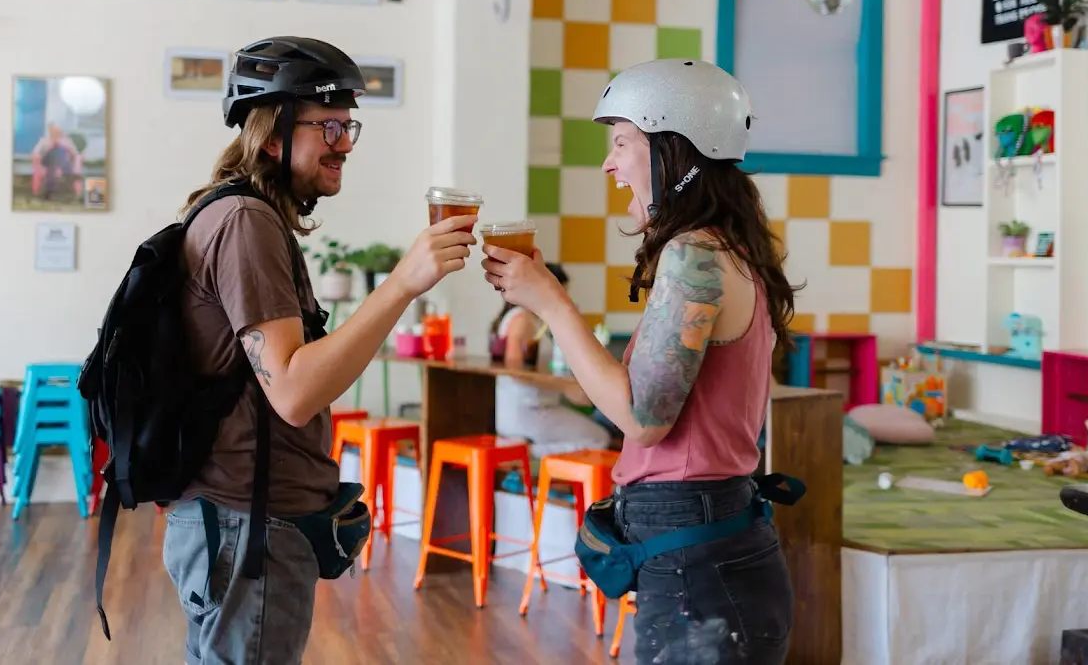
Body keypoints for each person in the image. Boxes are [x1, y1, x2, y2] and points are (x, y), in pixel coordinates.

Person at [162, 36, 478, 665]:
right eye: (327, 124)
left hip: (234, 526)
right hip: (247, 530)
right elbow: (295, 391)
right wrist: (402, 283)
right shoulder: (246, 223)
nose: (345, 143)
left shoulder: (240, 216)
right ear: (273, 135)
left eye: (348, 123)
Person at [480, 58, 801, 664]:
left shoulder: (695, 255)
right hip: (707, 548)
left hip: (698, 559)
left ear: (675, 154)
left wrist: (550, 300)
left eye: (623, 142)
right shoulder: (724, 248)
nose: (609, 163)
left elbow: (641, 417)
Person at [490, 262, 612, 457]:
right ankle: (523, 454)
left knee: (595, 432)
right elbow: (515, 373)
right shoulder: (522, 320)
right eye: (561, 292)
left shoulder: (533, 319)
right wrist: (564, 388)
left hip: (537, 407)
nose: (565, 298)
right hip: (527, 411)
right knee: (598, 438)